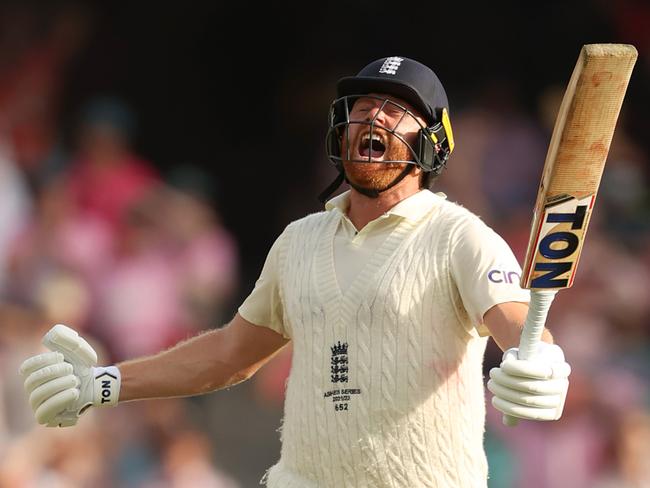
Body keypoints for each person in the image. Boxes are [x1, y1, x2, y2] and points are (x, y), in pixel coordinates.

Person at [19, 56, 571, 487]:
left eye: (395, 108)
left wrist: (540, 358)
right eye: (363, 104)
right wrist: (104, 383)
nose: (373, 115)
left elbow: (520, 326)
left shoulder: (460, 236)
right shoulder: (298, 242)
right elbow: (229, 355)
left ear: (433, 141)